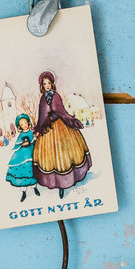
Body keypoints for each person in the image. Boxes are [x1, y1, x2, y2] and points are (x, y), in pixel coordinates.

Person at [32, 71, 91, 199]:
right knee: (49, 156)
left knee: (65, 153)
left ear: (52, 84)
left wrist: (55, 115)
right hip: (47, 129)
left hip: (60, 126)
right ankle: (56, 183)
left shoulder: (56, 96)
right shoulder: (43, 99)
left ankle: (67, 181)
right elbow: (41, 116)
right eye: (44, 83)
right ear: (42, 85)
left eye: (49, 83)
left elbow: (61, 111)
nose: (47, 85)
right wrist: (40, 126)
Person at [5, 113, 39, 203]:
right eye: (21, 124)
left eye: (25, 123)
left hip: (31, 153)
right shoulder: (20, 135)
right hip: (22, 155)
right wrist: (22, 144)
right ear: (19, 126)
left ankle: (35, 188)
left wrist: (35, 139)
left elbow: (34, 140)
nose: (24, 125)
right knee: (22, 172)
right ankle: (23, 192)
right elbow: (17, 145)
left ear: (28, 122)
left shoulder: (31, 132)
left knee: (32, 170)